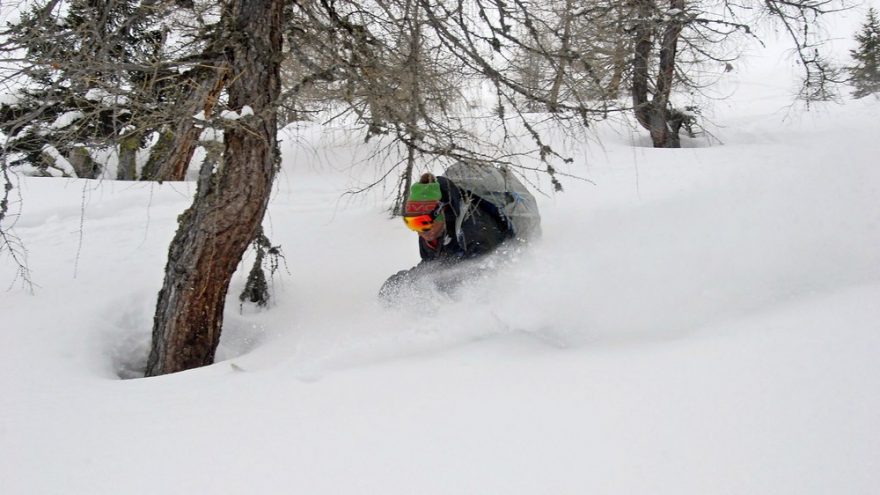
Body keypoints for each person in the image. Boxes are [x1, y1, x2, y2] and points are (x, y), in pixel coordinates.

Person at [379, 172, 513, 300]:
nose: (419, 231)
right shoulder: (430, 231)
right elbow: (431, 265)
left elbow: (484, 275)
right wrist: (401, 284)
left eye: (422, 222)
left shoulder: (474, 227)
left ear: (439, 212)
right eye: (412, 223)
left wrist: (434, 288)